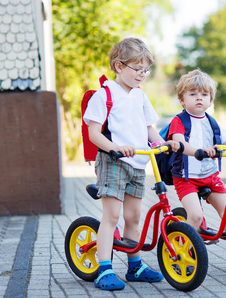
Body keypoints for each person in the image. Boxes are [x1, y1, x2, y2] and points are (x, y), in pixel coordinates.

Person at [83, 37, 179, 291]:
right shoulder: (105, 95)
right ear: (118, 66)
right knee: (112, 215)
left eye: (146, 70)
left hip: (138, 162)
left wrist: (161, 143)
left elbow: (150, 129)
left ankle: (134, 265)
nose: (142, 75)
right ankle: (104, 269)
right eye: (137, 69)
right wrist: (114, 147)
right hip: (113, 161)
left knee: (134, 215)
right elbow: (94, 133)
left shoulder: (140, 96)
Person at [167, 69, 226, 248]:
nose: (199, 98)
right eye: (193, 94)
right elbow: (179, 143)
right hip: (186, 178)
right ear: (182, 99)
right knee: (195, 216)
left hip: (210, 177)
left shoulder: (212, 123)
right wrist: (199, 151)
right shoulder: (179, 121)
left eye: (204, 94)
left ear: (210, 100)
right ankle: (181, 252)